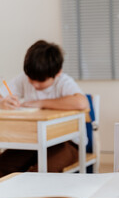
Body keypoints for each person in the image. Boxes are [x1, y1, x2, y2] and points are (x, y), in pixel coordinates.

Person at [0, 40, 89, 177]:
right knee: (3, 165)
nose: (35, 84)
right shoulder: (24, 78)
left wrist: (41, 103)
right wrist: (3, 103)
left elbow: (82, 103)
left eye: (41, 81)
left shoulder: (64, 82)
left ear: (58, 72)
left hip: (66, 143)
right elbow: (2, 95)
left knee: (41, 173)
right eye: (31, 79)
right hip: (32, 140)